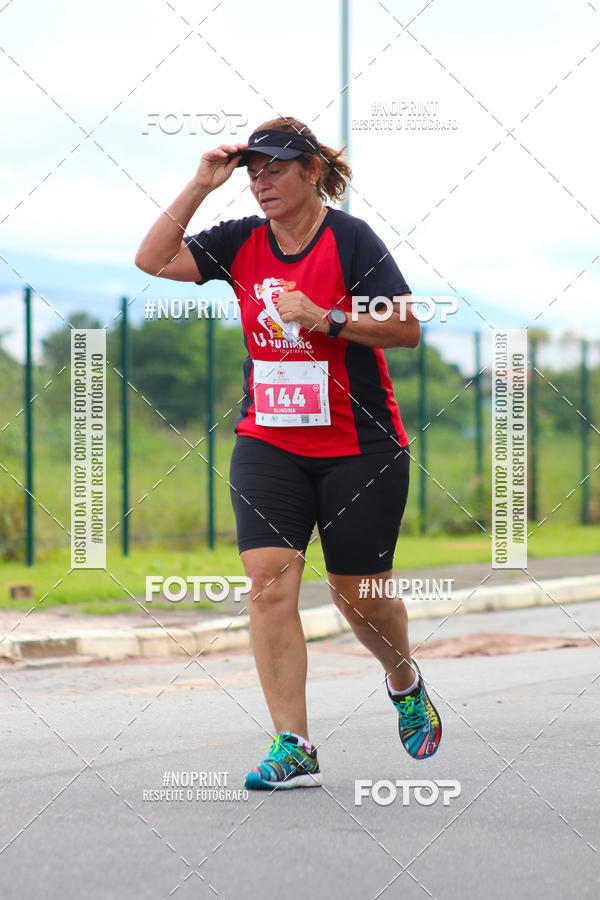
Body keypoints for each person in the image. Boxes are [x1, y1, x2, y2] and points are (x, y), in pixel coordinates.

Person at [135, 116, 442, 791]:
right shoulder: (240, 240)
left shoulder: (351, 239)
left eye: (275, 167)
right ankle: (294, 742)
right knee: (271, 583)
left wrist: (326, 317)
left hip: (358, 447)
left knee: (358, 597)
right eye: (252, 170)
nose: (261, 180)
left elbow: (408, 329)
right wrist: (198, 183)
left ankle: (403, 678)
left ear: (311, 172)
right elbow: (153, 259)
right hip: (268, 442)